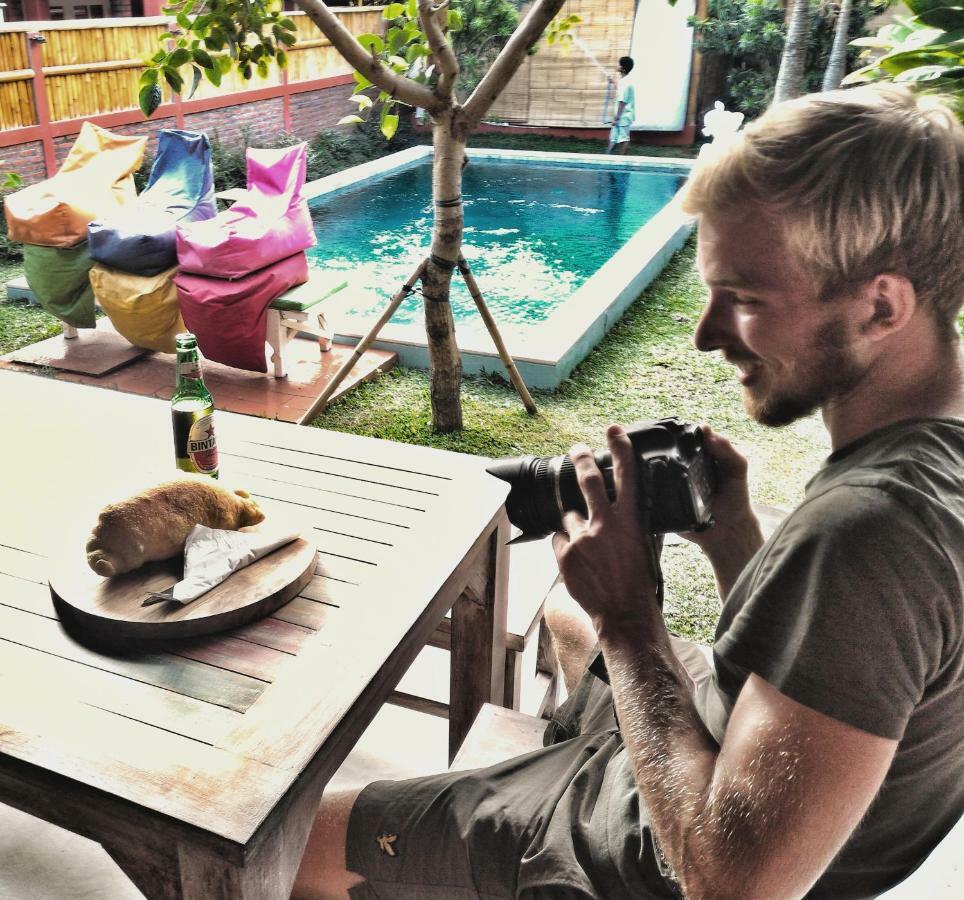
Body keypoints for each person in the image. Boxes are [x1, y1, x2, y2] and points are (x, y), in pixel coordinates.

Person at [292, 85, 964, 900]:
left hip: (652, 853)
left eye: (744, 299)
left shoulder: (868, 532)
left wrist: (631, 621)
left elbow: (729, 883)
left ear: (880, 306)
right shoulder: (928, 459)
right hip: (744, 752)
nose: (706, 333)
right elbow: (824, 655)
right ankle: (566, 740)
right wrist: (735, 538)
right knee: (561, 611)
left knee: (290, 842)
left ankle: (530, 813)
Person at [607, 56, 636, 155]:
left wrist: (616, 117)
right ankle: (606, 158)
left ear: (622, 68)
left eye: (619, 64)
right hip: (622, 116)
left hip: (624, 116)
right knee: (613, 138)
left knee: (624, 139)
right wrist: (613, 82)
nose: (617, 65)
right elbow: (620, 88)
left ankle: (622, 161)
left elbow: (622, 102)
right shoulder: (624, 81)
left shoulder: (625, 82)